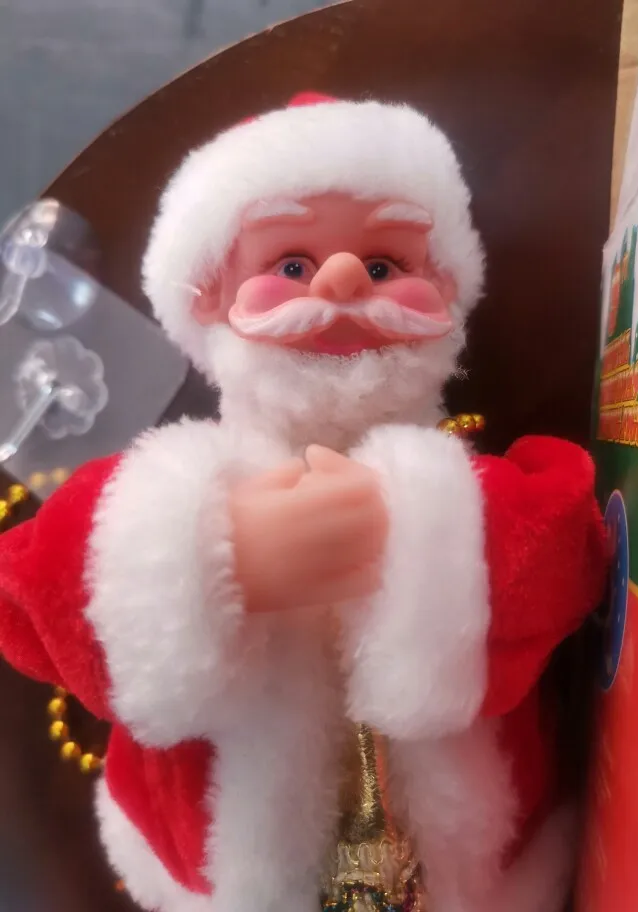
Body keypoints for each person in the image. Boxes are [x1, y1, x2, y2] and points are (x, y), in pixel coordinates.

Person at [0, 93, 606, 912]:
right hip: (219, 870)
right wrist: (212, 558)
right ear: (209, 295)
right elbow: (27, 597)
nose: (344, 278)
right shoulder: (165, 484)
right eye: (290, 264)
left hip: (471, 879)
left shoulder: (486, 488)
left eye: (385, 264)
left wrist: (427, 529)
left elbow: (578, 557)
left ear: (446, 290)